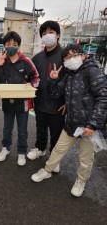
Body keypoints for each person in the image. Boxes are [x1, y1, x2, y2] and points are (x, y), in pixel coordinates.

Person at [31, 44, 107, 197]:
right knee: (58, 149)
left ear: (83, 55)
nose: (71, 60)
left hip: (88, 127)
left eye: (74, 55)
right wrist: (52, 80)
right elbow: (56, 93)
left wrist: (92, 124)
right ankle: (47, 170)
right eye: (67, 57)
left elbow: (103, 97)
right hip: (71, 123)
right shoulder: (69, 74)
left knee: (85, 158)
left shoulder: (92, 71)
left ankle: (81, 181)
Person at [0, 31, 39, 166]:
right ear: (4, 46)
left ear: (19, 46)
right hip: (8, 101)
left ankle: (21, 152)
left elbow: (36, 77)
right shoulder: (3, 61)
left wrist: (30, 84)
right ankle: (6, 148)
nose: (11, 46)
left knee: (22, 130)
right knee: (7, 128)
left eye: (14, 44)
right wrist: (0, 65)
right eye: (8, 44)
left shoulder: (26, 61)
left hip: (23, 103)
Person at [27, 20, 65, 173]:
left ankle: (54, 159)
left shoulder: (64, 56)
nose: (47, 36)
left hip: (58, 104)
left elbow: (72, 82)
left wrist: (67, 102)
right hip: (40, 102)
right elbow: (31, 77)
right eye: (44, 33)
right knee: (40, 128)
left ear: (58, 35)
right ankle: (40, 149)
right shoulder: (37, 58)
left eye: (51, 32)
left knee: (56, 133)